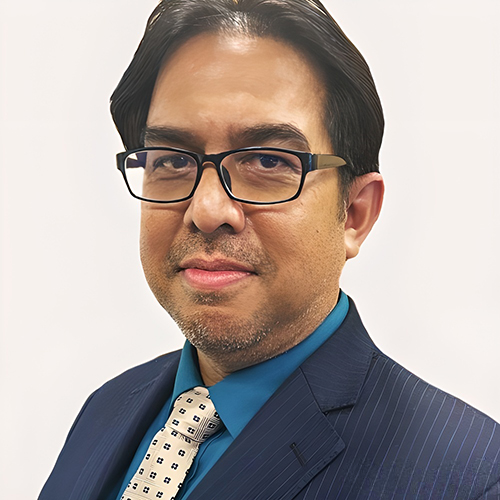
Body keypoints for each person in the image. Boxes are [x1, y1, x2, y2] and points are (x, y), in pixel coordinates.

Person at [39, 0, 500, 498]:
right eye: (172, 160)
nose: (207, 210)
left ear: (355, 214)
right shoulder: (107, 408)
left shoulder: (469, 476)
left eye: (266, 160)